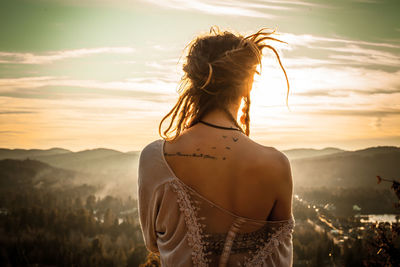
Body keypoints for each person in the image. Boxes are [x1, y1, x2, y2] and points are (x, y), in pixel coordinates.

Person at [137, 27, 294, 266]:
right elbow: (281, 260)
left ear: (192, 79)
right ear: (248, 85)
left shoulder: (156, 158)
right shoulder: (277, 165)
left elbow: (153, 244)